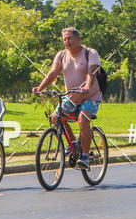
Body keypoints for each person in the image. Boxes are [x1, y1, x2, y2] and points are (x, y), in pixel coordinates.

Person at [32, 27, 102, 170]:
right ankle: (74, 143)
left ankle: (84, 156)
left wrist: (87, 86)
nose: (67, 41)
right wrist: (40, 88)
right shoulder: (61, 55)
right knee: (55, 118)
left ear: (77, 39)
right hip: (71, 96)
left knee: (83, 119)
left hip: (91, 96)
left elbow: (92, 72)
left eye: (69, 38)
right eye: (64, 39)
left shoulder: (90, 53)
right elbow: (52, 73)